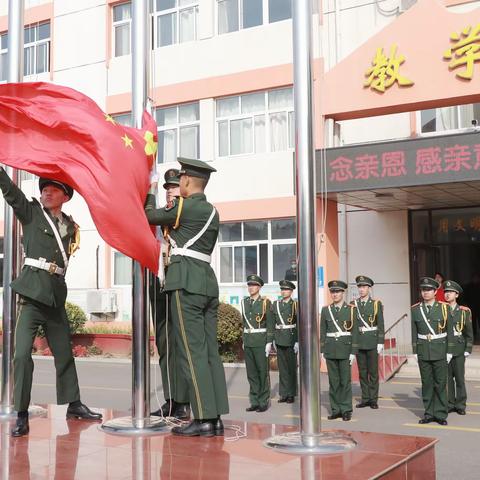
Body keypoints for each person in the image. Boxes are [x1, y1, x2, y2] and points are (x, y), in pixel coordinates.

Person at [0, 169, 102, 437]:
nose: (47, 191)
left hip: (55, 297)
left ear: (65, 197)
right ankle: (21, 413)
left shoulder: (70, 226)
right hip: (32, 297)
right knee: (21, 355)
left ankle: (74, 404)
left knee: (64, 355)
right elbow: (12, 193)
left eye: (54, 190)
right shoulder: (32, 213)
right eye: (45, 188)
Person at [145, 157, 229, 437]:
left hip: (186, 282)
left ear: (188, 181)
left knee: (190, 353)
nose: (178, 183)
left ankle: (203, 417)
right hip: (206, 280)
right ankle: (215, 417)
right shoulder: (211, 211)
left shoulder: (183, 207)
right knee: (209, 353)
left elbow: (148, 215)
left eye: (180, 179)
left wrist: (149, 189)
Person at [150, 169, 189, 420]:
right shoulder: (162, 218)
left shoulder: (185, 213)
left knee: (181, 344)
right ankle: (172, 399)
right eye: (166, 188)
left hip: (180, 283)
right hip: (159, 282)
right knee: (164, 343)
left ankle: (185, 400)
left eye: (174, 186)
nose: (170, 191)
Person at [411, 276, 452, 426]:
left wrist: (449, 351)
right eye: (423, 290)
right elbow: (413, 331)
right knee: (427, 383)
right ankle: (429, 413)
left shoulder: (444, 308)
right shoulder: (416, 310)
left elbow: (450, 332)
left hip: (440, 350)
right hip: (423, 350)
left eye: (429, 290)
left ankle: (441, 413)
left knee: (440, 383)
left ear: (435, 291)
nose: (426, 292)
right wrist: (415, 350)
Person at [320, 280, 358, 421]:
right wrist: (322, 350)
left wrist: (353, 352)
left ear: (343, 292)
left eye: (337, 291)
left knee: (345, 381)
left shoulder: (351, 309)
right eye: (332, 292)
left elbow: (354, 332)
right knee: (333, 382)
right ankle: (335, 409)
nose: (335, 294)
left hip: (345, 349)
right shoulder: (326, 310)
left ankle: (346, 409)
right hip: (330, 349)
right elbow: (323, 330)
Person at [241, 274, 274, 413]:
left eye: (254, 285)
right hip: (249, 341)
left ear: (259, 287)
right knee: (252, 373)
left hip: (261, 341)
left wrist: (269, 342)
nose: (251, 288)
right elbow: (244, 323)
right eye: (249, 285)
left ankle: (263, 401)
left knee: (262, 372)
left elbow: (270, 323)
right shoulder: (244, 302)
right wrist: (243, 339)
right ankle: (254, 400)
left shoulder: (266, 303)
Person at [353, 275, 384, 410]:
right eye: (359, 287)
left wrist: (380, 341)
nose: (361, 289)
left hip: (372, 341)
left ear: (369, 289)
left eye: (364, 287)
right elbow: (352, 326)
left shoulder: (376, 304)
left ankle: (373, 399)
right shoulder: (353, 304)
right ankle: (365, 398)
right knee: (362, 372)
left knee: (373, 372)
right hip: (359, 342)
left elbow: (380, 324)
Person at [444, 280, 474, 416]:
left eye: (450, 292)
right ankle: (450, 403)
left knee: (460, 379)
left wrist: (468, 349)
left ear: (456, 295)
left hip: (459, 349)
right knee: (448, 378)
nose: (447, 294)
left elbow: (468, 332)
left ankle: (460, 404)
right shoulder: (441, 310)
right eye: (445, 292)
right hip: (444, 349)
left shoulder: (463, 312)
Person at [272, 280, 298, 404]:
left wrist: (298, 341)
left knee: (291, 368)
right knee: (282, 368)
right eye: (282, 289)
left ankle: (291, 393)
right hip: (279, 338)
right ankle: (283, 393)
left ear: (291, 291)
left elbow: (299, 324)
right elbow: (272, 322)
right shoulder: (276, 304)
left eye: (286, 290)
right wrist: (272, 339)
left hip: (291, 339)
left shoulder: (295, 305)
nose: (284, 292)